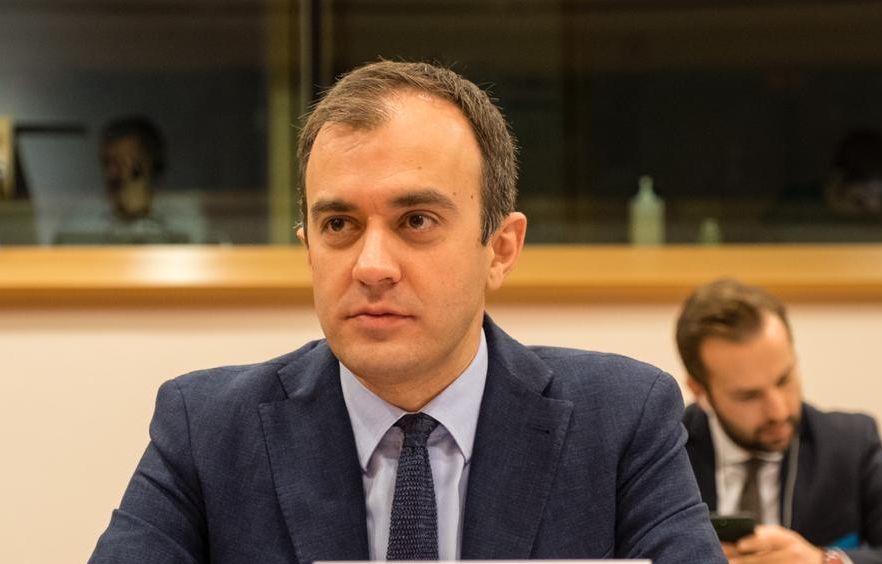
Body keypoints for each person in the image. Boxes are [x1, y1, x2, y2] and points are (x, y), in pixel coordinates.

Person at [89, 60, 724, 563]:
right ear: (308, 249)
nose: (371, 266)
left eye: (416, 220)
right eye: (338, 224)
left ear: (501, 249)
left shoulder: (621, 420)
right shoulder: (207, 429)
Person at [676, 279, 882, 563]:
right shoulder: (666, 452)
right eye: (748, 396)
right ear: (700, 391)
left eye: (784, 380)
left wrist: (823, 561)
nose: (779, 411)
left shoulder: (852, 444)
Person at [54, 115, 213, 244]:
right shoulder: (82, 218)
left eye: (120, 163)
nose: (111, 173)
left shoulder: (183, 215)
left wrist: (140, 213)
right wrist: (123, 215)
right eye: (106, 162)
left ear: (148, 164)